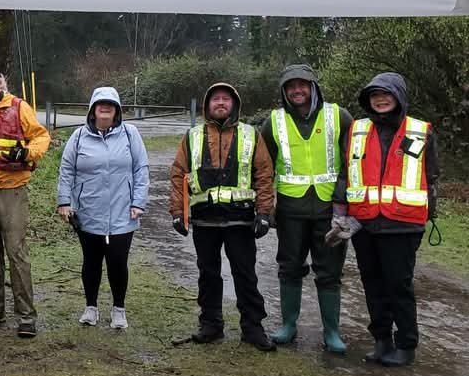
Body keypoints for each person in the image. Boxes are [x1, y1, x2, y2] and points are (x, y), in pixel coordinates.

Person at [329, 73, 438, 367]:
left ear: (399, 96)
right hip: (363, 223)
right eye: (375, 94)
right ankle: (381, 340)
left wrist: (429, 213)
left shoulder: (420, 130)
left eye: (386, 94)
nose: (380, 99)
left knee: (398, 285)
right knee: (372, 284)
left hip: (402, 225)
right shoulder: (356, 130)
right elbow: (345, 172)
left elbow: (431, 176)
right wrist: (341, 213)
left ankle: (406, 344)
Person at [169, 82, 276, 351]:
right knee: (208, 274)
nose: (220, 103)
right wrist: (177, 213)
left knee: (245, 275)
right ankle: (211, 325)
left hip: (240, 220)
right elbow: (178, 175)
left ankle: (253, 328)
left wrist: (264, 213)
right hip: (204, 219)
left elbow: (264, 174)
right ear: (207, 105)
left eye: (225, 99)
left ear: (234, 105)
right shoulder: (192, 136)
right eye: (215, 98)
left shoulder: (252, 135)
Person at [259, 65, 354, 353]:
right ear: (284, 92)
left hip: (331, 210)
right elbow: (262, 168)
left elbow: (354, 161)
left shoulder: (339, 116)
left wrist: (344, 201)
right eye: (291, 86)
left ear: (314, 87)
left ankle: (332, 332)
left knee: (329, 271)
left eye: (303, 85)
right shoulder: (272, 122)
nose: (297, 90)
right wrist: (266, 206)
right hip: (290, 210)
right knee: (289, 267)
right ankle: (288, 325)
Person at [0, 61, 51, 338]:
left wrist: (25, 154)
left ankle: (26, 316)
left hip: (12, 190)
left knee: (16, 253)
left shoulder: (18, 107)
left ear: (1, 82)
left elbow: (41, 137)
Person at [56, 86, 149, 329]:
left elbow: (141, 169)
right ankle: (91, 307)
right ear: (93, 110)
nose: (105, 107)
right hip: (88, 212)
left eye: (110, 104)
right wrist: (64, 202)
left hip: (123, 212)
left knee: (118, 261)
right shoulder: (77, 137)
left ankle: (119, 309)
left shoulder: (131, 134)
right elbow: (67, 170)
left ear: (117, 109)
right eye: (100, 104)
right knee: (91, 261)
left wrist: (139, 201)